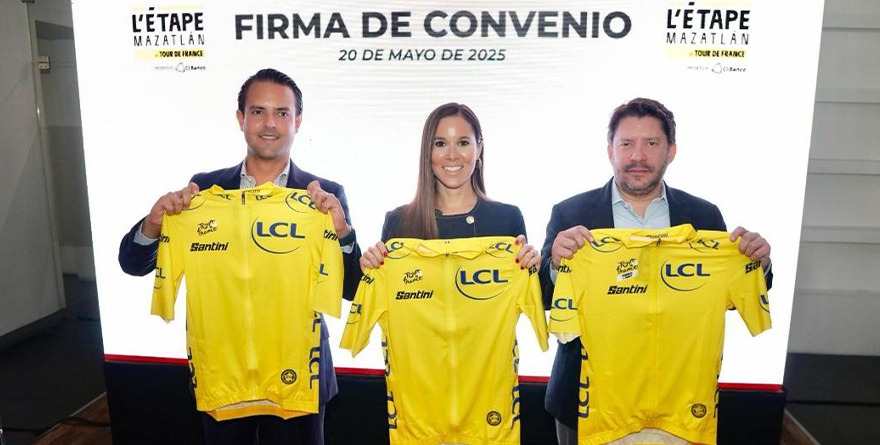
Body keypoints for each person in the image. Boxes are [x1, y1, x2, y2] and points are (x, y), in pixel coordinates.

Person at [118, 68, 362, 444]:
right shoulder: (205, 191)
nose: (270, 123)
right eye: (258, 111)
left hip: (298, 378)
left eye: (282, 113)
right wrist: (154, 224)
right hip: (224, 375)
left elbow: (353, 289)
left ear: (297, 121)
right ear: (240, 118)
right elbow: (132, 263)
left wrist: (342, 233)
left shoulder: (324, 195)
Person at [539, 97, 773, 445]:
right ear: (610, 150)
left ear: (671, 151)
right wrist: (557, 266)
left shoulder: (704, 216)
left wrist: (758, 264)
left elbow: (728, 294)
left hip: (678, 403)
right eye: (626, 144)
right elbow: (543, 295)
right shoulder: (571, 213)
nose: (638, 156)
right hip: (589, 404)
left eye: (651, 143)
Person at [359, 102, 540, 267]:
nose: (452, 155)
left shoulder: (507, 219)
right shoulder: (398, 222)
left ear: (479, 149)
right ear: (428, 151)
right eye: (440, 144)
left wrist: (533, 270)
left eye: (463, 143)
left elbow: (527, 291)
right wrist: (371, 267)